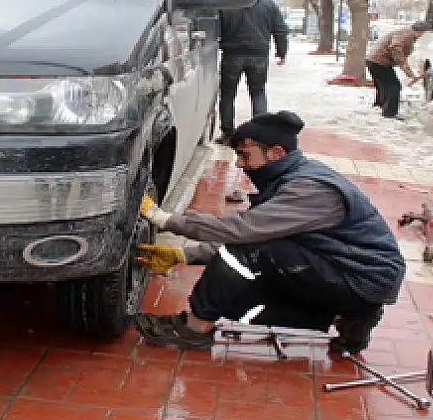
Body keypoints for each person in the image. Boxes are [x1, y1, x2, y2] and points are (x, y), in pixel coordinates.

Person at [132, 110, 406, 352]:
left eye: (245, 155)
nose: (239, 164)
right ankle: (344, 318)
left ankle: (194, 328)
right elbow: (259, 233)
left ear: (276, 153)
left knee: (248, 252)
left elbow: (243, 232)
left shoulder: (310, 189)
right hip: (344, 272)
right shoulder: (293, 176)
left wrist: (164, 219)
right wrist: (184, 255)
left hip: (362, 280)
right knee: (247, 293)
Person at [215, 0, 289, 143]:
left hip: (231, 55)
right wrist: (281, 52)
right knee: (258, 93)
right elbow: (280, 29)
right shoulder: (269, 5)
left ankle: (227, 133)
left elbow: (215, 29)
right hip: (259, 56)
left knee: (227, 95)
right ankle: (260, 133)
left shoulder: (227, 5)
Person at [364, 21, 429, 119]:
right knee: (394, 86)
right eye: (423, 33)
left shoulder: (406, 33)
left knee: (384, 85)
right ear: (420, 31)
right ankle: (389, 113)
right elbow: (395, 47)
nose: (422, 35)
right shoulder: (407, 34)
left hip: (374, 60)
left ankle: (380, 106)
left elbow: (401, 52)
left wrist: (408, 71)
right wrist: (402, 65)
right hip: (379, 61)